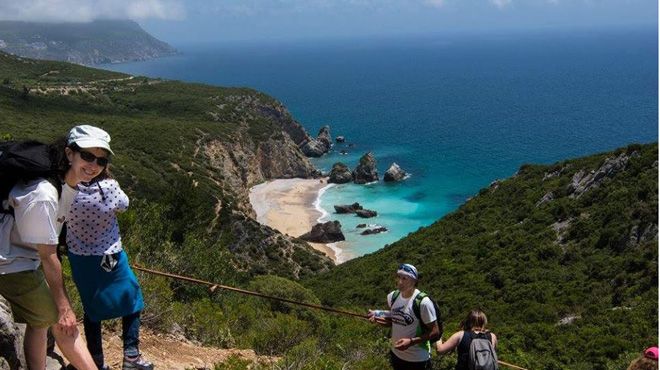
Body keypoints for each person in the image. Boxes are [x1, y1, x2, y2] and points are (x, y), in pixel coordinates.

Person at [0, 125, 116, 370]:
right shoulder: (45, 193)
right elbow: (47, 254)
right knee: (52, 316)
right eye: (87, 155)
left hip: (21, 255)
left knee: (46, 318)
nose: (93, 165)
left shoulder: (68, 184)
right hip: (10, 261)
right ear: (69, 153)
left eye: (101, 160)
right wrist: (64, 307)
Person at [66, 164, 153, 370]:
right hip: (109, 256)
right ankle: (131, 356)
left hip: (79, 258)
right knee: (131, 297)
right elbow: (124, 205)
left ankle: (95, 359)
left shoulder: (66, 190)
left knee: (91, 304)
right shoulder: (109, 187)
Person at [368, 263, 441, 370]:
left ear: (414, 281)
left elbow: (435, 332)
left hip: (417, 359)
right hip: (396, 354)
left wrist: (411, 342)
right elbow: (394, 320)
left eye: (404, 278)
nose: (400, 282)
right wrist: (377, 315)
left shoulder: (423, 303)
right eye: (398, 277)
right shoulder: (392, 297)